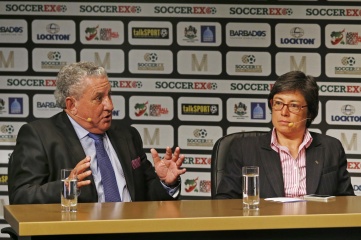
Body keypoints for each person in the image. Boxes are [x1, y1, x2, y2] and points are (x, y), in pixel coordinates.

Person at [8, 61, 186, 204]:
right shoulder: (40, 136)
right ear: (72, 105)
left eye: (109, 95)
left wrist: (165, 183)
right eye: (98, 98)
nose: (110, 105)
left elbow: (146, 195)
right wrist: (66, 188)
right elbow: (22, 196)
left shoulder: (127, 135)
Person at [215, 71, 354, 199]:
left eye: (293, 105)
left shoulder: (331, 148)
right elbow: (224, 202)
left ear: (310, 112)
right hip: (265, 224)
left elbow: (346, 202)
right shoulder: (244, 149)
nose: (283, 112)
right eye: (278, 103)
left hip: (316, 224)